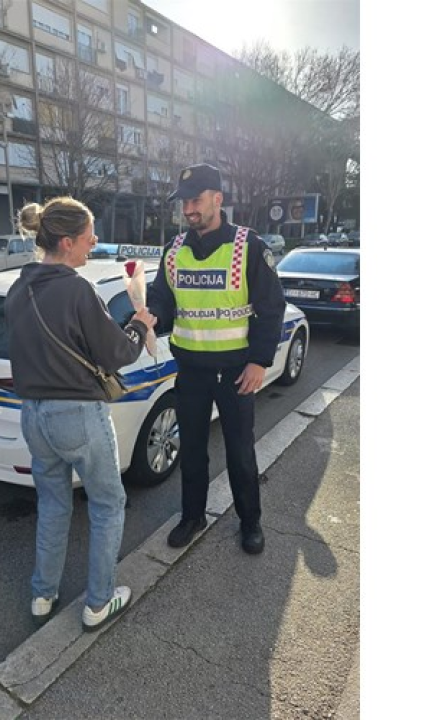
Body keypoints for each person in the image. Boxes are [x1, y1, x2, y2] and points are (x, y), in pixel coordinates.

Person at [4, 196, 157, 631]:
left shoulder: (18, 288)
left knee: (53, 504)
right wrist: (140, 323)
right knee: (108, 503)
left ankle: (42, 593)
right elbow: (117, 353)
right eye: (89, 238)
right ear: (67, 242)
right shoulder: (75, 288)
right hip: (77, 413)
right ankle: (99, 601)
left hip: (33, 415)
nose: (94, 244)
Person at [148, 164, 286, 554]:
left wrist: (260, 361)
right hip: (191, 371)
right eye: (184, 202)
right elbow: (164, 300)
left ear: (217, 199)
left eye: (195, 200)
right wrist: (151, 315)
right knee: (190, 451)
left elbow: (272, 307)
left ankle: (250, 522)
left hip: (236, 372)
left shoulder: (248, 246)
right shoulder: (174, 251)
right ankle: (192, 516)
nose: (188, 209)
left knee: (240, 452)